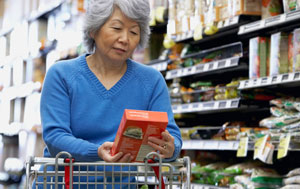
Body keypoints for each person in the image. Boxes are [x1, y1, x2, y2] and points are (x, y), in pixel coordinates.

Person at [38, 0, 182, 187]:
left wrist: (170, 148)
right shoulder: (62, 75)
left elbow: (171, 134)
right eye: (116, 28)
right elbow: (55, 136)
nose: (125, 39)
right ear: (94, 30)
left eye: (134, 32)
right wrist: (96, 152)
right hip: (63, 183)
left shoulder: (151, 80)